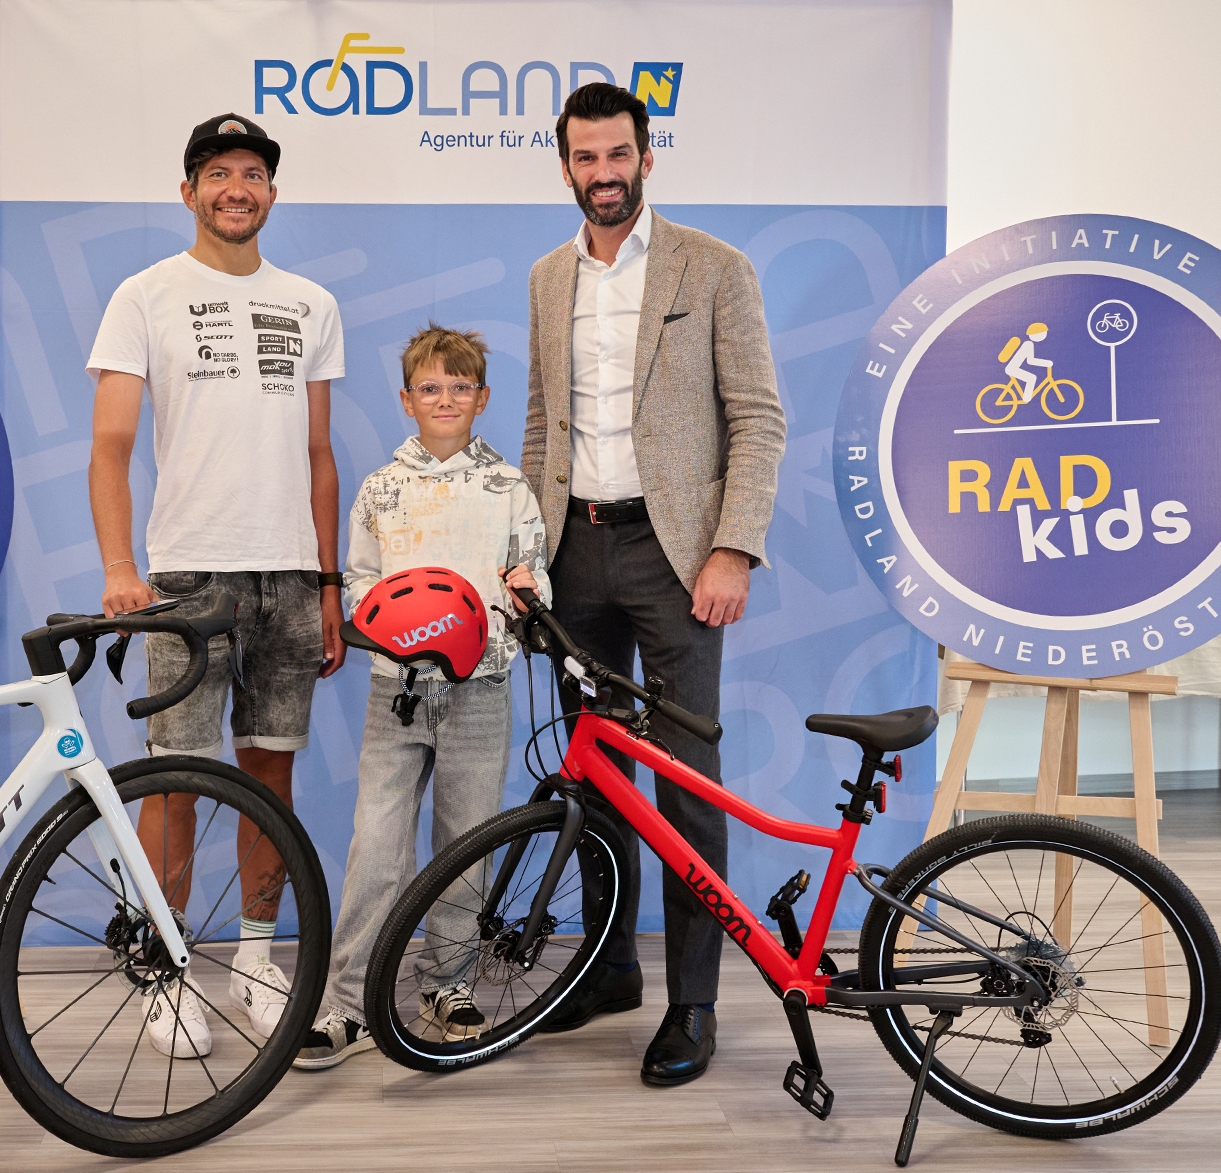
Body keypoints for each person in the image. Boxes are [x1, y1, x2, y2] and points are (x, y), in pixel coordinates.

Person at [521, 83, 786, 1086]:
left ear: (646, 156)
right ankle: (607, 969)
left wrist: (734, 549)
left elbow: (757, 419)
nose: (604, 173)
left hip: (677, 558)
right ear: (565, 167)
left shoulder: (712, 266)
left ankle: (693, 1001)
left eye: (618, 154)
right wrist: (527, 547)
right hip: (572, 554)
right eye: (586, 157)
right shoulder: (548, 276)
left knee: (685, 783)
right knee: (596, 772)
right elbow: (542, 422)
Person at [87, 114, 347, 1058]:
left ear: (272, 192)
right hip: (189, 575)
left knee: (269, 775)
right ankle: (164, 964)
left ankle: (255, 959)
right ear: (189, 190)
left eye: (252, 173)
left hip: (289, 574)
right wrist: (122, 568)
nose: (237, 188)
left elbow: (318, 454)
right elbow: (110, 445)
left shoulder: (311, 302)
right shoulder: (144, 294)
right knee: (176, 782)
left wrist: (328, 584)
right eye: (218, 173)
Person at [294, 325, 550, 1069]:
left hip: (481, 689)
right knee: (376, 847)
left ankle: (447, 986)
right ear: (406, 400)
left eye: (460, 387)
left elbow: (532, 573)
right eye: (430, 388)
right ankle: (348, 1003)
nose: (445, 399)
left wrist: (525, 592)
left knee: (466, 843)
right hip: (396, 693)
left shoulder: (509, 487)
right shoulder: (381, 488)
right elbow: (360, 581)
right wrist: (391, 622)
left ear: (483, 398)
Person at [1005, 322, 1052, 401]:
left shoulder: (1028, 343)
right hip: (1012, 369)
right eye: (1042, 333)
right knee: (1032, 378)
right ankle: (1026, 398)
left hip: (1013, 368)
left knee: (1031, 378)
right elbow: (1030, 361)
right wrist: (1047, 363)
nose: (1044, 335)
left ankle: (1026, 397)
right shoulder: (1028, 344)